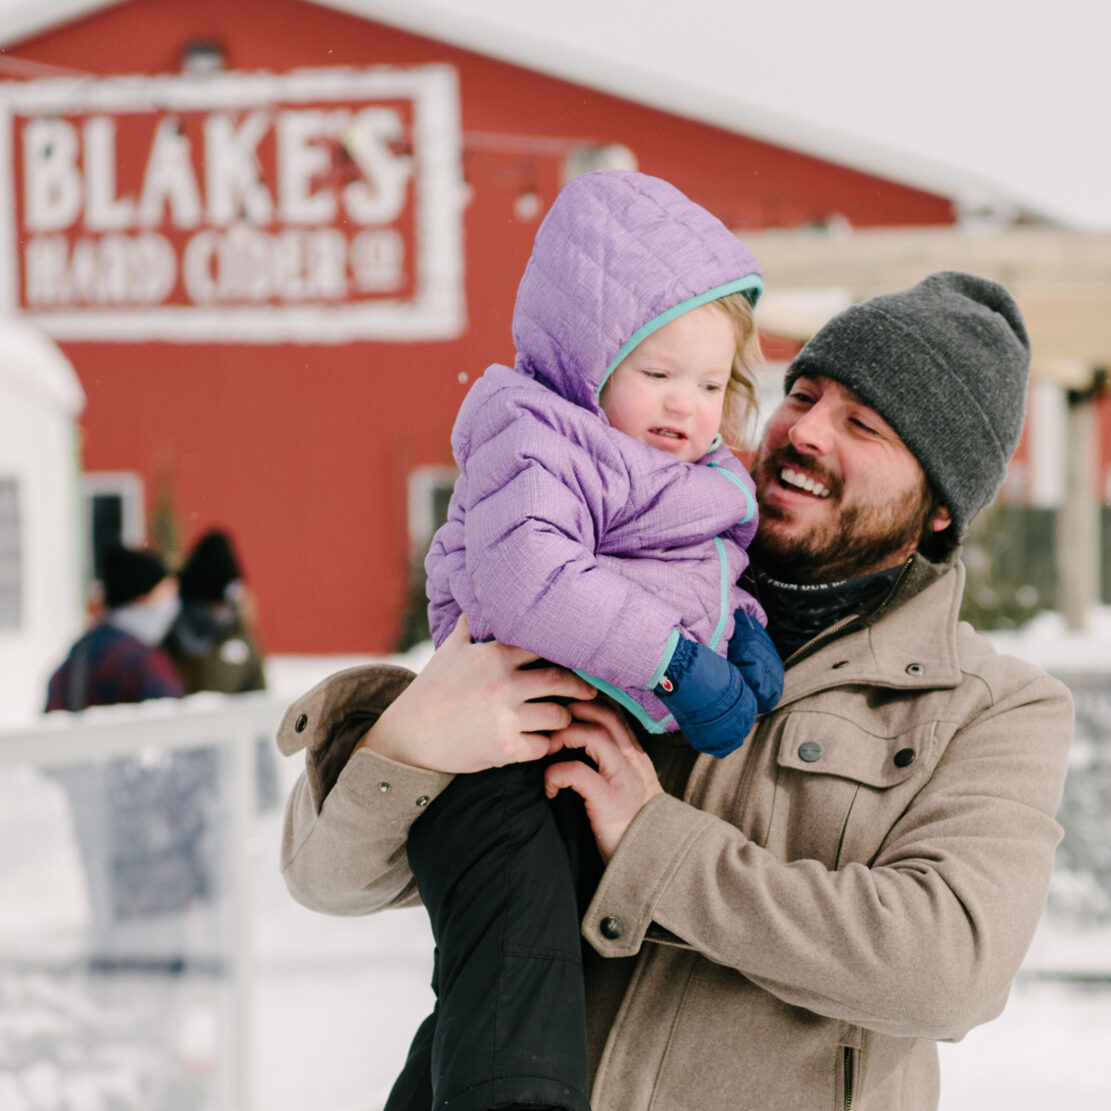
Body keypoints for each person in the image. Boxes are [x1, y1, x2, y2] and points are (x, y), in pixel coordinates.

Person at [278, 269, 1074, 1111]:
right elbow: (329, 880)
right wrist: (407, 742)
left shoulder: (990, 707)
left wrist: (655, 846)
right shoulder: (608, 593)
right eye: (801, 393)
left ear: (938, 508)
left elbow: (945, 970)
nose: (803, 431)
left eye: (861, 424)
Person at [381, 169, 784, 1111]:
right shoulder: (537, 436)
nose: (686, 406)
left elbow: (700, 571)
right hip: (498, 762)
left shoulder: (694, 471)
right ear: (584, 355)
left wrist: (744, 628)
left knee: (499, 999)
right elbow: (531, 575)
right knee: (514, 979)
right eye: (657, 374)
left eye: (710, 382)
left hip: (572, 753)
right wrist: (677, 664)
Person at [46, 543, 184, 711]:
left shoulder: (81, 651)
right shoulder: (146, 662)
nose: (171, 604)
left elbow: (55, 716)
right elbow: (169, 722)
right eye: (166, 592)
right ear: (142, 597)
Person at [164, 528, 267, 696]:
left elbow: (215, 696)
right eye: (212, 604)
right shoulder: (170, 635)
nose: (220, 612)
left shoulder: (238, 641)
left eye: (224, 603)